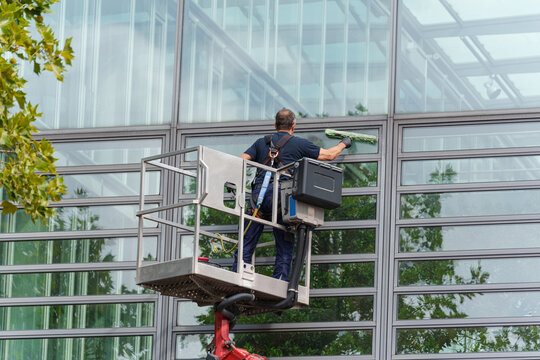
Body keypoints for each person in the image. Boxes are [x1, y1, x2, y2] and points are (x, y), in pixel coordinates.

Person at [232, 108, 351, 281]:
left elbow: (239, 161)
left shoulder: (261, 142)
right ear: (293, 126)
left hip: (259, 195)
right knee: (284, 243)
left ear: (275, 125)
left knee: (247, 240)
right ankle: (280, 281)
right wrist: (343, 143)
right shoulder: (299, 144)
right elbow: (329, 156)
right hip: (281, 197)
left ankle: (238, 276)